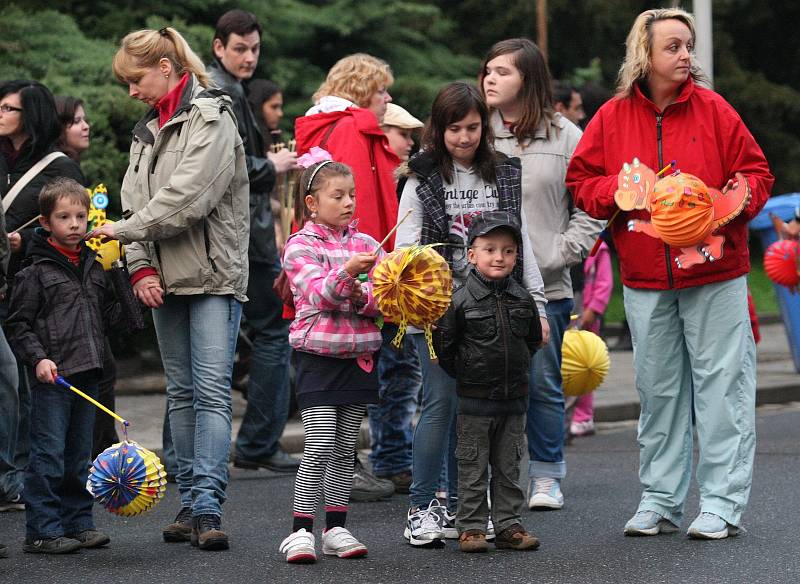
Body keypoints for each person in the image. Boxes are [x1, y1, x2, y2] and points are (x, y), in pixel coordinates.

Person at [566, 7, 773, 539]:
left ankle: (722, 504)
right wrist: (616, 190)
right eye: (674, 47)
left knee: (723, 390)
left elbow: (756, 174)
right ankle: (660, 499)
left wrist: (726, 204)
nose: (686, 56)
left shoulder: (715, 109)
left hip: (717, 273)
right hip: (643, 277)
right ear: (645, 55)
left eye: (688, 46)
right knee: (658, 394)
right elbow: (581, 182)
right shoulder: (611, 117)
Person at [89, 25, 250, 551]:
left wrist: (124, 233)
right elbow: (133, 205)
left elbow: (190, 198)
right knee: (180, 393)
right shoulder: (146, 130)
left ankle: (207, 504)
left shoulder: (213, 116)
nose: (130, 92)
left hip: (210, 278)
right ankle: (190, 500)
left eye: (135, 81)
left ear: (165, 68)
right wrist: (139, 268)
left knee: (208, 393)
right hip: (162, 278)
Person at [395, 81, 547, 546]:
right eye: (454, 128)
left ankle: (470, 512)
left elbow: (523, 247)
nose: (464, 137)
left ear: (486, 127)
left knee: (484, 411)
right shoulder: (421, 178)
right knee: (440, 406)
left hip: (498, 310)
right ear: (438, 129)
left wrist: (538, 305)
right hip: (440, 311)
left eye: (473, 127)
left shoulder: (502, 173)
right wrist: (423, 304)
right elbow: (405, 250)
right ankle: (422, 507)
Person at [480, 38, 604, 511]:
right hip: (479, 287)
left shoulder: (566, 135)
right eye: (487, 70)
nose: (490, 78)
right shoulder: (476, 131)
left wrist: (564, 251)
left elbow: (593, 203)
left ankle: (547, 475)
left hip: (546, 286)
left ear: (528, 80)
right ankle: (488, 478)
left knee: (543, 382)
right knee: (483, 388)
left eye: (502, 72)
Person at [295, 53, 401, 501]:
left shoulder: (328, 127)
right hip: (348, 283)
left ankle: (334, 507)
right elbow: (366, 206)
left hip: (336, 283)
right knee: (329, 431)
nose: (388, 99)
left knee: (340, 415)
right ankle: (311, 514)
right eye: (381, 91)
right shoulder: (355, 129)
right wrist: (378, 265)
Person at [277, 158, 381, 563]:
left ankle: (335, 526)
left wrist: (363, 296)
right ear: (312, 203)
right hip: (317, 355)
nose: (348, 202)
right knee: (319, 442)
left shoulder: (369, 244)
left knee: (345, 447)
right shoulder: (300, 245)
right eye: (337, 196)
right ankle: (299, 531)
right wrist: (348, 279)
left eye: (352, 195)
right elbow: (316, 292)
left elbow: (387, 295)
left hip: (359, 356)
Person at [209, 9, 300, 474]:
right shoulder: (220, 91)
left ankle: (240, 445)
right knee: (271, 332)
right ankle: (259, 442)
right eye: (240, 48)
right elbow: (224, 169)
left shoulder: (229, 89)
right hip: (243, 238)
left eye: (255, 48)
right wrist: (273, 168)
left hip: (242, 236)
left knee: (224, 342)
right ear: (218, 47)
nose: (248, 57)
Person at [6, 178, 118, 554]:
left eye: (81, 216)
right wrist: (38, 358)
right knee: (48, 455)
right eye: (64, 217)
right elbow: (18, 323)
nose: (75, 224)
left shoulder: (94, 264)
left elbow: (116, 318)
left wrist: (117, 269)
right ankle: (41, 529)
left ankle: (79, 522)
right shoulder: (34, 271)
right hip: (54, 377)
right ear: (45, 222)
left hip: (88, 372)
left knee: (79, 456)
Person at [435, 210, 542, 553]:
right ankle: (472, 527)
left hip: (514, 400)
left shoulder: (523, 298)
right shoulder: (460, 301)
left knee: (509, 465)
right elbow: (446, 348)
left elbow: (530, 343)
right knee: (472, 466)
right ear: (471, 255)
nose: (499, 257)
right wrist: (469, 374)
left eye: (508, 250)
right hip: (475, 401)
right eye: (490, 249)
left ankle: (509, 524)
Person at [0, 80, 84, 514]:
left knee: (21, 382)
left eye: (8, 108)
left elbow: (70, 237)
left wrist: (24, 242)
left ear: (29, 115)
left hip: (32, 287)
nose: (0, 114)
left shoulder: (57, 167)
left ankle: (20, 477)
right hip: (2, 283)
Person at [54, 95, 120, 458]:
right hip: (67, 283)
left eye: (84, 119)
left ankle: (95, 452)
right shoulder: (62, 170)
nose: (85, 126)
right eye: (74, 121)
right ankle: (98, 455)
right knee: (98, 368)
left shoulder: (66, 165)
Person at [569, 240, 612, 437]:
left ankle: (583, 416)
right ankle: (569, 414)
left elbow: (605, 281)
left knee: (586, 365)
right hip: (570, 307)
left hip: (587, 314)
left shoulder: (598, 247)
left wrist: (594, 308)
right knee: (568, 364)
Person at [247, 78, 284, 149]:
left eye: (280, 107)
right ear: (258, 107)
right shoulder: (246, 141)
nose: (280, 114)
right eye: (274, 107)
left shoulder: (274, 135)